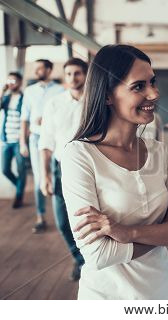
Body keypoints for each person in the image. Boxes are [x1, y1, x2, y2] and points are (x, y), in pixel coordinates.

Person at [60, 45, 168, 299]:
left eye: (153, 82)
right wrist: (166, 225)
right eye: (139, 86)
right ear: (107, 95)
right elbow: (98, 254)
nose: (154, 93)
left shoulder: (159, 151)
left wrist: (128, 233)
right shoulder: (79, 156)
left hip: (165, 293)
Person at [38, 58, 88, 280]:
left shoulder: (96, 102)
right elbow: (46, 142)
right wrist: (44, 175)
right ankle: (80, 260)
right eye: (69, 74)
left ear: (86, 75)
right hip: (61, 168)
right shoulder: (54, 104)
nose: (73, 78)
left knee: (88, 219)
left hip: (89, 168)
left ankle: (93, 263)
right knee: (62, 222)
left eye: (77, 73)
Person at [20, 59, 64, 233]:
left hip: (55, 138)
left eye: (41, 68)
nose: (37, 71)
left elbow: (61, 116)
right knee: (40, 178)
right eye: (35, 68)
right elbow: (25, 118)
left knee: (58, 177)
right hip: (35, 138)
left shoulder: (60, 91)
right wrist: (22, 142)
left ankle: (63, 214)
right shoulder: (29, 91)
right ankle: (41, 216)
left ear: (49, 69)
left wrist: (47, 120)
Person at [1, 72, 26, 208]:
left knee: (21, 170)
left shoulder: (24, 98)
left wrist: (24, 141)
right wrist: (2, 90)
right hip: (6, 140)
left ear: (20, 82)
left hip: (19, 140)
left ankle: (18, 197)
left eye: (14, 80)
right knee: (5, 169)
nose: (11, 83)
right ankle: (19, 188)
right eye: (9, 80)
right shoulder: (5, 98)